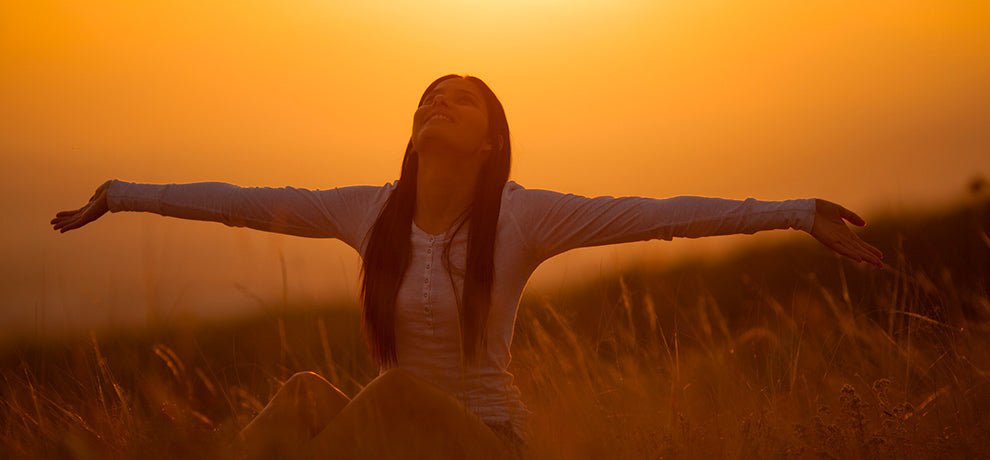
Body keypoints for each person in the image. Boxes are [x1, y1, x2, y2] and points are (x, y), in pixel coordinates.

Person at [51, 74, 884, 458]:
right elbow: (240, 199)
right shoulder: (367, 212)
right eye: (426, 96)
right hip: (394, 437)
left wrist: (795, 213)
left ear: (489, 141)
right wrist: (121, 193)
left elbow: (660, 219)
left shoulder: (521, 216)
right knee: (307, 391)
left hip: (483, 443)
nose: (434, 101)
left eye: (459, 97)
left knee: (396, 392)